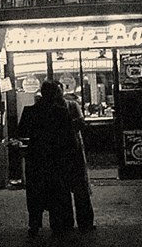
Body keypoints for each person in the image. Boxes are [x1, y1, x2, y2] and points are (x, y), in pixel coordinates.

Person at [17, 80, 79, 238]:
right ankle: (56, 224)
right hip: (56, 158)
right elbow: (69, 136)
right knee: (56, 192)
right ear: (55, 94)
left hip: (36, 157)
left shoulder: (30, 111)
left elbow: (22, 131)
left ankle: (34, 224)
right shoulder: (60, 112)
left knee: (35, 192)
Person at [57, 86, 95, 232]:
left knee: (64, 189)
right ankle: (85, 223)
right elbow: (81, 123)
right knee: (79, 188)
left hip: (61, 151)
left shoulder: (53, 108)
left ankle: (67, 223)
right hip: (74, 148)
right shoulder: (72, 105)